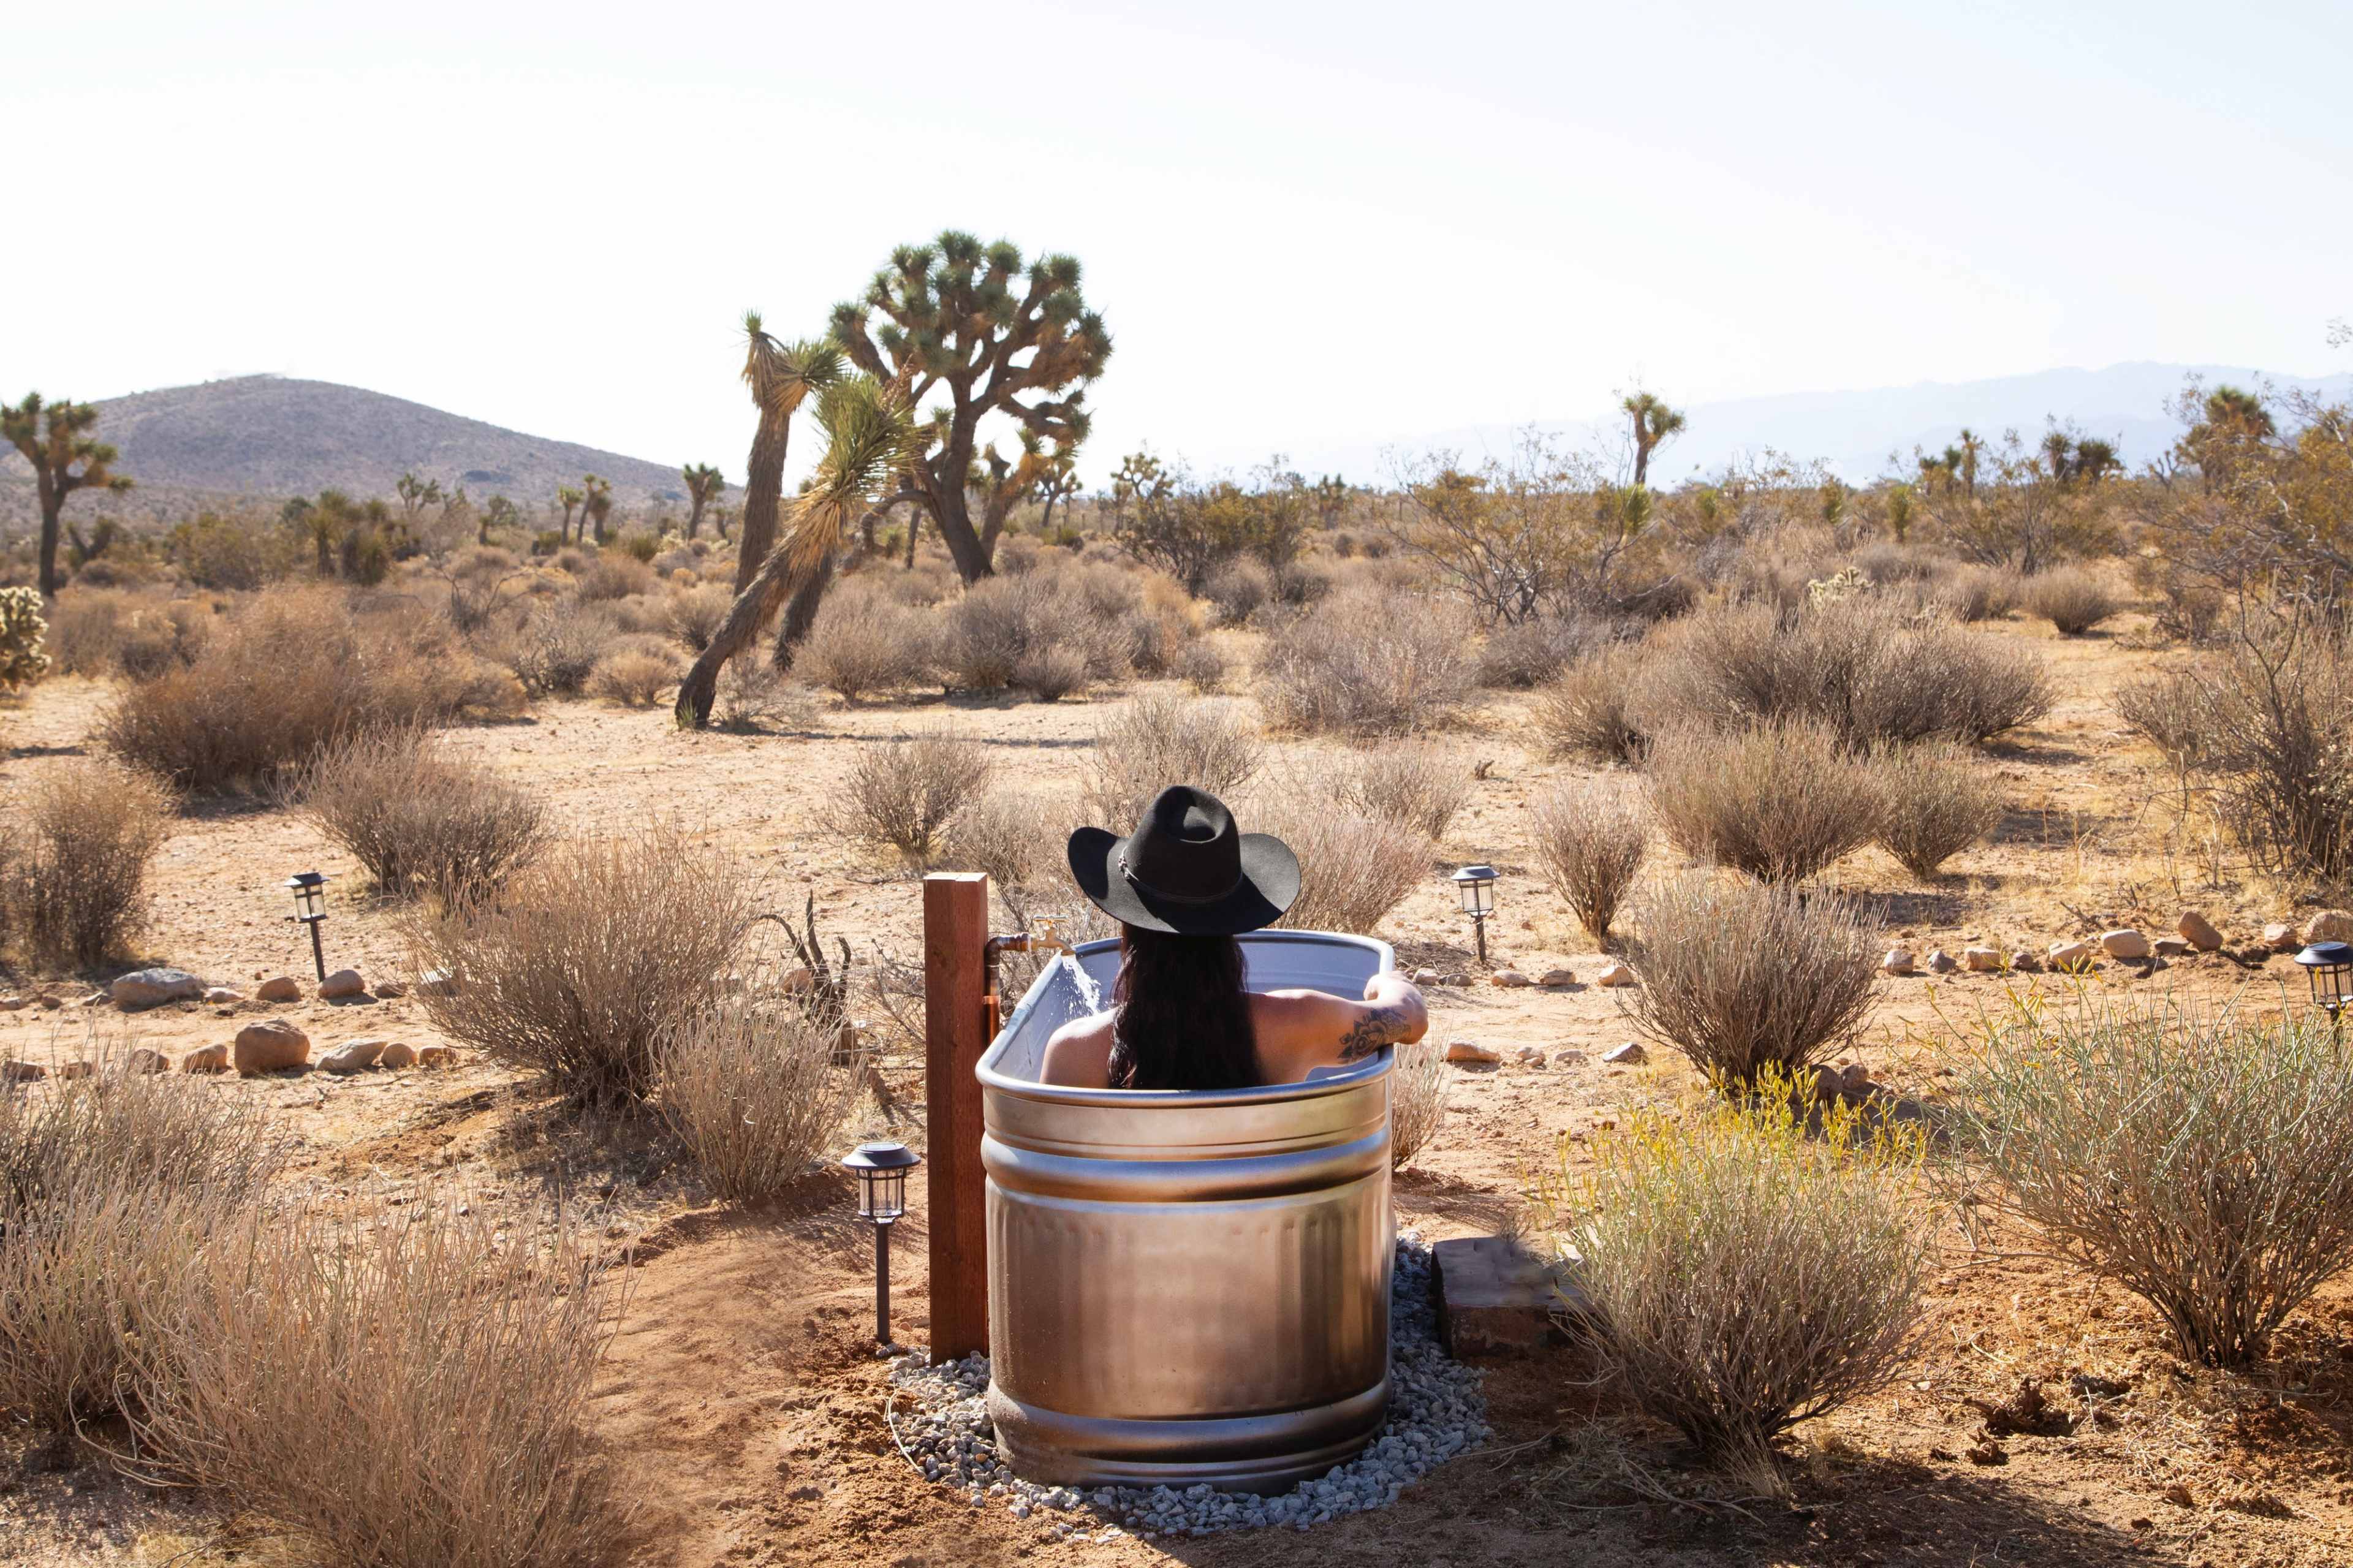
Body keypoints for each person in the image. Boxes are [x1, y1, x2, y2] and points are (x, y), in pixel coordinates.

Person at [1039, 785, 1428, 1090]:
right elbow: (1411, 1017)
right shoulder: (1299, 1020)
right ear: (1229, 925)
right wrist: (1384, 981)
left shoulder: (1075, 1051)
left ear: (1128, 928)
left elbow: (1047, 1176)